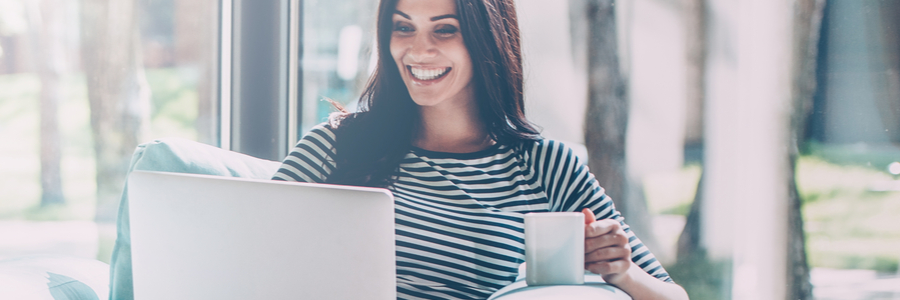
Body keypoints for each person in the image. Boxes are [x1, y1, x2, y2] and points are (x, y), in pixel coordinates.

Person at [272, 0, 689, 299]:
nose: (418, 50)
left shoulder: (546, 165)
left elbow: (672, 297)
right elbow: (252, 244)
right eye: (403, 27)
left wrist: (622, 271)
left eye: (444, 29)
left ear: (485, 38)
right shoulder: (336, 144)